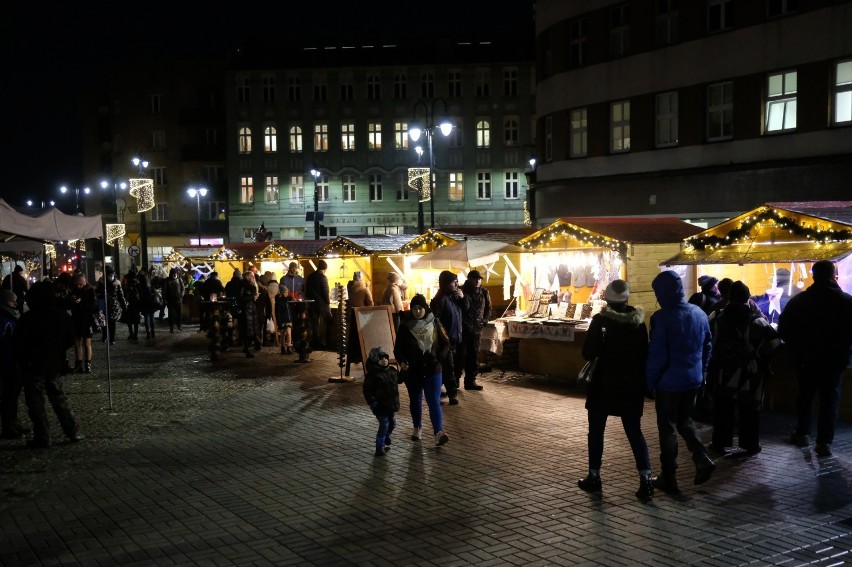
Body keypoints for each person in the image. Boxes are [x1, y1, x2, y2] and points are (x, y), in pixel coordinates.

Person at [578, 280, 654, 501]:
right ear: (627, 299)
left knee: (596, 431)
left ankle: (594, 476)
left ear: (608, 299)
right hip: (631, 385)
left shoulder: (601, 321)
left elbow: (588, 352)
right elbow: (644, 354)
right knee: (634, 431)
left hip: (603, 384)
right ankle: (646, 479)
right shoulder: (638, 323)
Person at [647, 270, 716, 494]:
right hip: (693, 379)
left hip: (669, 382)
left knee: (667, 428)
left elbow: (657, 356)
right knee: (685, 420)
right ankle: (702, 458)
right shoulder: (699, 313)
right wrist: (702, 373)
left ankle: (669, 475)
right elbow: (708, 346)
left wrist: (649, 382)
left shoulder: (662, 318)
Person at [779, 260, 852, 457]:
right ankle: (824, 442)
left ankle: (802, 433)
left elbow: (784, 329)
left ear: (813, 275)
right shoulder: (846, 301)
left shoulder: (799, 301)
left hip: (805, 359)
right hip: (834, 360)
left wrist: (796, 349)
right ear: (832, 275)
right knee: (830, 400)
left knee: (805, 396)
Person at [708, 281, 782, 456]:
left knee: (722, 409)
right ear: (747, 299)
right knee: (750, 410)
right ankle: (750, 445)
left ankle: (720, 443)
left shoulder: (716, 316)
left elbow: (707, 340)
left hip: (723, 371)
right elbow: (774, 343)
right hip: (750, 372)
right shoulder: (757, 321)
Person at [15, 281, 83, 448]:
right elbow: (70, 340)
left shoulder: (28, 318)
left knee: (36, 402)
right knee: (59, 399)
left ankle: (43, 436)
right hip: (54, 363)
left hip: (33, 365)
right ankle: (73, 431)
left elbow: (19, 343)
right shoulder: (62, 316)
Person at [394, 294, 450, 446]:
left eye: (420, 308)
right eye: (414, 308)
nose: (418, 311)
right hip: (413, 370)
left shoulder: (435, 323)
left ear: (425, 308)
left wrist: (438, 357)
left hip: (433, 369)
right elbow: (398, 349)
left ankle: (438, 432)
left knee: (433, 401)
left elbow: (445, 343)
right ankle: (417, 427)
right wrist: (403, 362)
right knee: (415, 400)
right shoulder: (405, 327)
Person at [430, 270, 464, 405]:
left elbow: (466, 309)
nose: (456, 284)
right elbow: (436, 322)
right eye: (453, 282)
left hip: (456, 338)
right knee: (448, 366)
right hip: (445, 340)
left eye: (457, 281)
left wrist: (463, 298)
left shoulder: (454, 297)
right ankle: (452, 394)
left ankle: (441, 390)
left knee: (452, 366)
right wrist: (444, 338)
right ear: (446, 283)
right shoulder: (439, 300)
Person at [362, 346, 400, 457]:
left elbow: (400, 379)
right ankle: (379, 447)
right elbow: (367, 391)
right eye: (381, 358)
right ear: (375, 361)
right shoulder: (372, 376)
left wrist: (405, 370)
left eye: (385, 358)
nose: (384, 360)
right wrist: (373, 403)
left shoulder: (392, 371)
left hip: (390, 405)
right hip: (380, 406)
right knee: (384, 424)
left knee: (392, 424)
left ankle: (385, 436)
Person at [0, 289, 27, 439]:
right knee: (9, 395)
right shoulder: (3, 319)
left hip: (14, 360)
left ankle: (13, 422)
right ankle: (7, 425)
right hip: (7, 362)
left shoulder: (10, 316)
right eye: (12, 301)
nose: (16, 303)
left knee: (14, 394)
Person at [459, 270, 491, 391]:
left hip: (477, 329)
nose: (478, 281)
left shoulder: (484, 291)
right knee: (460, 356)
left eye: (479, 279)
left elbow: (488, 307)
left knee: (473, 356)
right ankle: (455, 382)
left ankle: (470, 381)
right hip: (463, 329)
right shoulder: (462, 290)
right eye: (475, 278)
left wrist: (485, 320)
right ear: (469, 279)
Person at [68, 273, 97, 373]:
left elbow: (92, 306)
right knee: (77, 343)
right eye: (78, 284)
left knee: (87, 342)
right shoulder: (73, 291)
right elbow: (69, 304)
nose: (79, 286)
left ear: (85, 282)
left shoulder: (90, 291)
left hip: (86, 320)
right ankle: (78, 364)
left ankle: (88, 364)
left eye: (81, 284)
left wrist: (81, 302)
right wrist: (72, 301)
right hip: (76, 319)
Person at [346, 272, 374, 368]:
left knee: (352, 336)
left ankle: (353, 356)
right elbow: (370, 304)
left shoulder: (348, 288)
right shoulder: (364, 289)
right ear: (361, 279)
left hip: (350, 315)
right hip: (361, 315)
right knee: (362, 337)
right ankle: (361, 355)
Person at [304, 260, 331, 349]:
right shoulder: (322, 277)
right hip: (322, 304)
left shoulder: (310, 277)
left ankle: (314, 342)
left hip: (312, 303)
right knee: (326, 323)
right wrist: (328, 302)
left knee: (314, 324)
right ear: (325, 268)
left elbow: (306, 291)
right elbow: (325, 291)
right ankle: (324, 343)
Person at [96, 265, 126, 345]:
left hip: (112, 306)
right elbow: (97, 292)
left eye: (111, 274)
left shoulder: (116, 283)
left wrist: (124, 305)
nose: (111, 276)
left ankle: (111, 338)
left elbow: (120, 295)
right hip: (104, 305)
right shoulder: (102, 282)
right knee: (104, 322)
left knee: (111, 323)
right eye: (109, 274)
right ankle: (105, 335)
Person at [237, 271, 262, 358]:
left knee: (252, 329)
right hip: (246, 310)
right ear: (248, 277)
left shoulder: (250, 286)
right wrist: (252, 297)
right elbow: (240, 298)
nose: (253, 278)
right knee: (247, 330)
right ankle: (248, 348)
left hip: (251, 310)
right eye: (252, 276)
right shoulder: (243, 286)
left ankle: (254, 344)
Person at [138, 273, 158, 339]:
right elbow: (154, 292)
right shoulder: (149, 285)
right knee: (152, 318)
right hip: (150, 303)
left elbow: (139, 296)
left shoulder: (139, 286)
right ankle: (153, 332)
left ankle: (148, 333)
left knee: (146, 319)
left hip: (144, 304)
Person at [123, 270, 142, 341]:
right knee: (135, 321)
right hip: (136, 304)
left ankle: (131, 333)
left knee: (129, 321)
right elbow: (141, 294)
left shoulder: (128, 283)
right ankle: (135, 334)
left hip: (130, 304)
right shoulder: (137, 283)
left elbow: (125, 293)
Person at [164, 268, 185, 333]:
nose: (175, 275)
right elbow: (164, 290)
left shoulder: (179, 280)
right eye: (173, 274)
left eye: (175, 274)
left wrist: (181, 295)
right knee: (171, 314)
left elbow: (183, 288)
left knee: (179, 313)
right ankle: (171, 326)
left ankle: (179, 324)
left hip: (178, 300)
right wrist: (164, 298)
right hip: (170, 300)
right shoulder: (167, 280)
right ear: (171, 274)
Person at [275, 285, 294, 354]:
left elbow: (290, 310)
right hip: (283, 320)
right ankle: (283, 348)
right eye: (285, 292)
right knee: (283, 335)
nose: (287, 293)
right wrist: (279, 322)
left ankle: (288, 347)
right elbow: (278, 313)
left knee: (289, 334)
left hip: (288, 320)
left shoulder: (288, 300)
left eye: (287, 292)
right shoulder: (279, 301)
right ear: (282, 293)